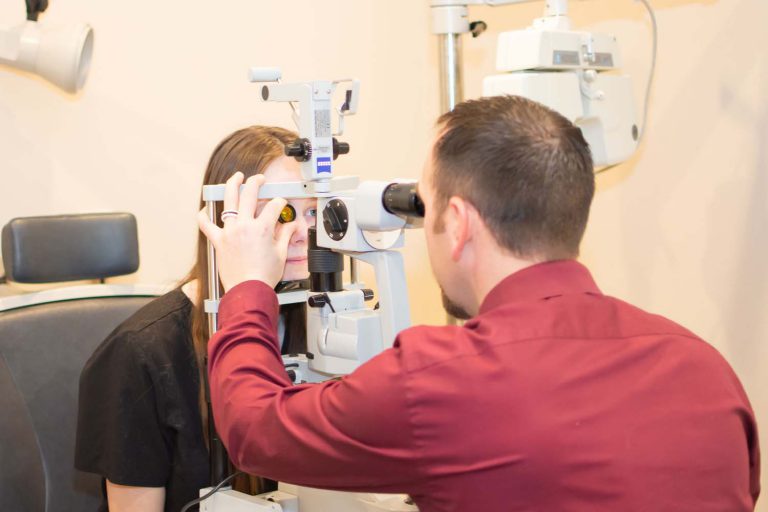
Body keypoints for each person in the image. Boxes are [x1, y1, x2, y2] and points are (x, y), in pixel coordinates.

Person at [199, 96, 761, 511]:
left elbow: (254, 430)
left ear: (459, 223)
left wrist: (249, 284)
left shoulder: (442, 379)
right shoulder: (706, 368)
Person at [75, 125, 317, 512]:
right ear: (227, 219)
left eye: (314, 212)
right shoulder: (142, 352)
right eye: (282, 212)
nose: (303, 231)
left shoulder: (321, 325)